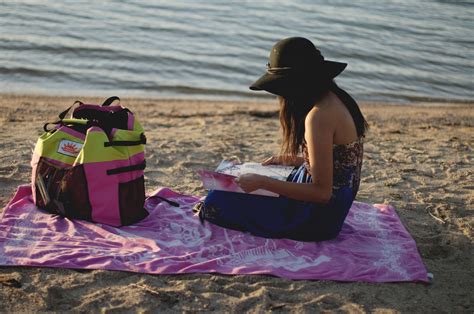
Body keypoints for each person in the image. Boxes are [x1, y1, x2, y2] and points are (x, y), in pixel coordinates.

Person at [197, 37, 368, 241]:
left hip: (317, 218)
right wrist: (295, 160)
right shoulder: (337, 99)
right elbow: (342, 164)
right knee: (241, 180)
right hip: (333, 206)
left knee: (218, 198)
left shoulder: (319, 116)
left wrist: (264, 182)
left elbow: (322, 193)